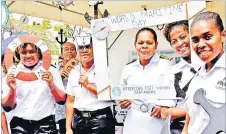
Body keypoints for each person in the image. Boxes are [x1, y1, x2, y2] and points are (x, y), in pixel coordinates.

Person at [119, 27, 176, 134]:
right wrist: (122, 101)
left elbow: (174, 95)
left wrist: (165, 105)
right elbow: (122, 95)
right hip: (133, 123)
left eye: (149, 43)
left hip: (157, 123)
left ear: (156, 45)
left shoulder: (167, 65)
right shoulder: (128, 69)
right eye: (140, 43)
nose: (144, 46)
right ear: (135, 45)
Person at [1, 43, 66, 134]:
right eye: (24, 52)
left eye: (32, 52)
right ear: (19, 55)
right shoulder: (12, 74)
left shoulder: (51, 71)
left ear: (39, 53)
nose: (28, 55)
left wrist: (51, 85)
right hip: (20, 126)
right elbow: (7, 107)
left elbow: (62, 100)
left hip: (45, 124)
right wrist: (12, 89)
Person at [182, 11, 225, 134]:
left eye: (207, 37)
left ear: (223, 36)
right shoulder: (197, 75)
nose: (200, 45)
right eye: (195, 40)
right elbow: (190, 120)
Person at [65, 37, 114, 134]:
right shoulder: (74, 72)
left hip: (101, 119)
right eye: (81, 48)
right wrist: (68, 128)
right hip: (79, 120)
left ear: (94, 49)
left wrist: (88, 85)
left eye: (88, 47)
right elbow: (70, 101)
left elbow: (110, 96)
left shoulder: (103, 69)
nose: (84, 51)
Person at [161, 20, 201, 133]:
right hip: (179, 129)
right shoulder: (171, 73)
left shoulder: (213, 67)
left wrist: (180, 110)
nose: (179, 43)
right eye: (174, 41)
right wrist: (199, 108)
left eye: (183, 37)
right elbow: (165, 112)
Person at [55, 42, 78, 134]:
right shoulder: (55, 70)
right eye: (66, 49)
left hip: (79, 112)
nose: (69, 51)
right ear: (61, 54)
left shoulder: (81, 68)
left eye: (72, 49)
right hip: (63, 113)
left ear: (76, 52)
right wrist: (58, 77)